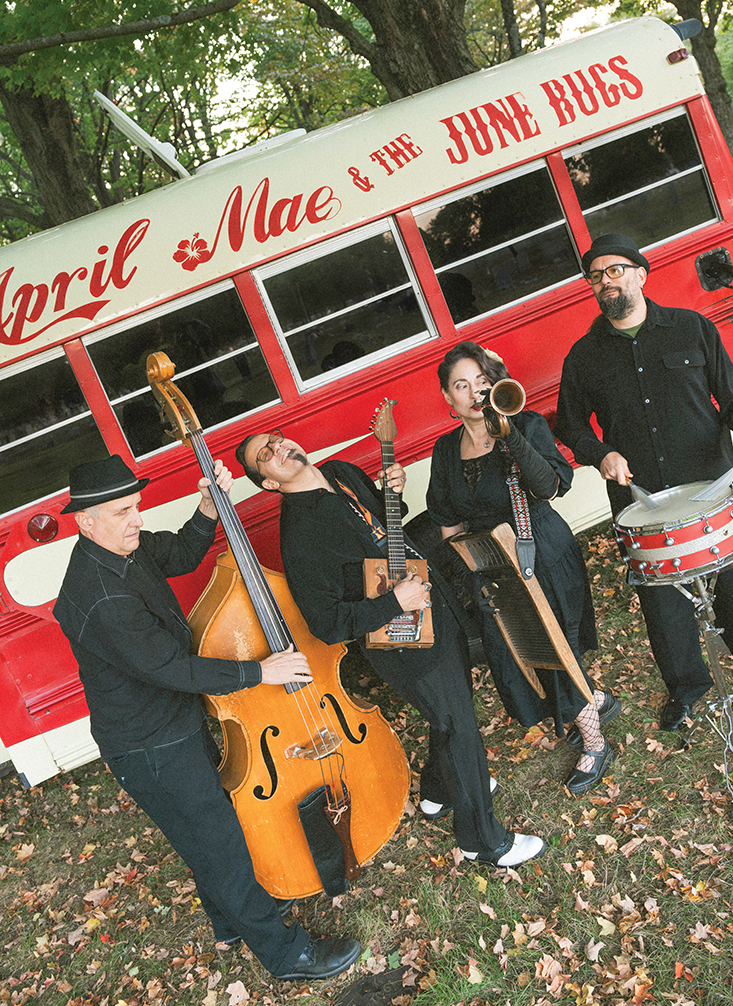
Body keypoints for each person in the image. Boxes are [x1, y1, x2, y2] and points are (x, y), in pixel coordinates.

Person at [53, 454, 361, 982]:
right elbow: (171, 668)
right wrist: (259, 671)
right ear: (86, 521)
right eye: (123, 512)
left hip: (174, 723)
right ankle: (287, 955)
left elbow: (178, 552)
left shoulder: (122, 547)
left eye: (136, 507)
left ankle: (229, 922)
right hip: (149, 744)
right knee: (220, 845)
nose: (137, 520)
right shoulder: (100, 595)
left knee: (206, 835)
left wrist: (206, 507)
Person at [235, 432, 545, 869]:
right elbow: (326, 623)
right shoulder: (300, 534)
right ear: (269, 483)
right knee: (459, 729)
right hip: (401, 641)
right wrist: (395, 603)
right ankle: (483, 841)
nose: (279, 449)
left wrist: (392, 494)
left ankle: (437, 792)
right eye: (265, 456)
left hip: (437, 607)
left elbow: (384, 529)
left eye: (276, 440)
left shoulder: (340, 473)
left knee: (451, 715)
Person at [555, 232, 733, 729]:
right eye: (596, 276)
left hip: (711, 484)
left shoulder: (691, 327)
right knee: (661, 601)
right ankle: (686, 687)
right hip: (642, 498)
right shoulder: (584, 356)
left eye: (615, 270)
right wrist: (601, 454)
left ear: (640, 274)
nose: (606, 281)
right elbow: (570, 426)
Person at [426, 341, 620, 796]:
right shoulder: (445, 449)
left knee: (558, 648)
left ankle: (595, 744)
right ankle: (595, 700)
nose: (474, 392)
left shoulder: (527, 424)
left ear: (494, 385)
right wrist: (469, 570)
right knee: (523, 654)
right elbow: (446, 517)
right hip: (491, 567)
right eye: (461, 385)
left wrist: (509, 433)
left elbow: (550, 486)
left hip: (542, 554)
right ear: (448, 398)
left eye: (481, 381)